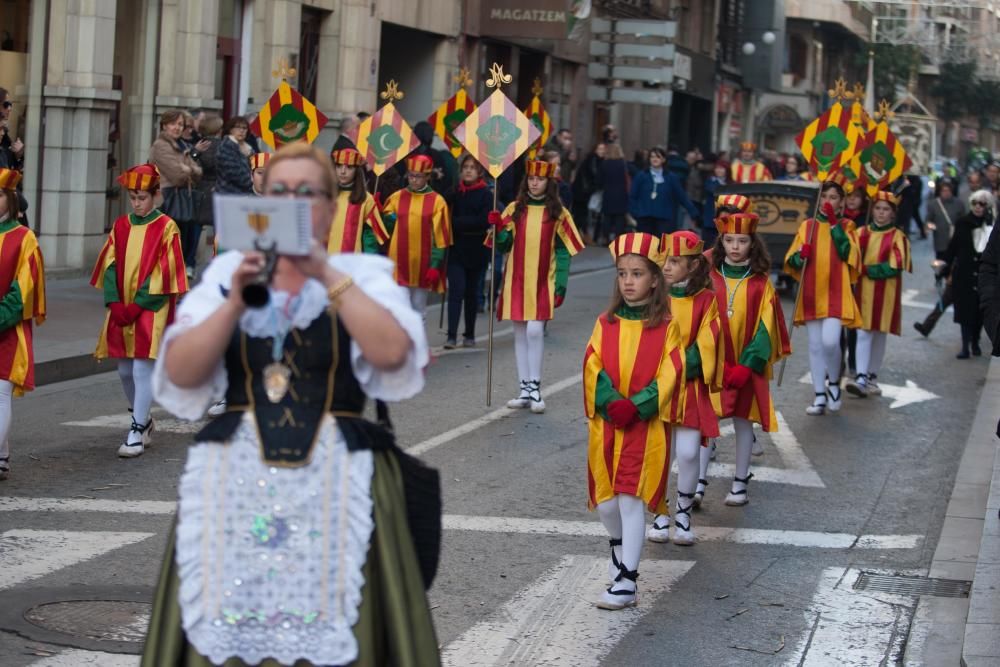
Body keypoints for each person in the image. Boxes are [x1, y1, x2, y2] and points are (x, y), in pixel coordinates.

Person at [142, 142, 440, 666]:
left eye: (308, 193)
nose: (293, 203)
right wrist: (236, 297)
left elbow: (392, 355)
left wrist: (325, 272)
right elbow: (181, 372)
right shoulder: (228, 275)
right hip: (234, 487)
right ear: (261, 198)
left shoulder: (359, 275)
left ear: (330, 205)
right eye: (280, 192)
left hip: (337, 482)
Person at [584, 232, 683, 609]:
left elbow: (671, 371)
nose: (628, 281)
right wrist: (611, 400)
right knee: (606, 503)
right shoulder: (605, 321)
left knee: (630, 498)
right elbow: (592, 363)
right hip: (609, 423)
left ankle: (627, 580)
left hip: (644, 426)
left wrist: (639, 405)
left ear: (655, 279)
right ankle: (618, 547)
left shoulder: (666, 325)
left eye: (638, 273)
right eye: (623, 273)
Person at [91, 164, 188, 458]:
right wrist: (115, 302)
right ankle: (143, 419)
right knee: (123, 369)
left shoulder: (167, 227)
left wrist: (138, 304)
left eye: (142, 198)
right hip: (123, 306)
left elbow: (165, 271)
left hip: (151, 306)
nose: (137, 204)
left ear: (156, 195)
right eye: (133, 198)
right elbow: (110, 265)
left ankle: (135, 429)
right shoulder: (121, 225)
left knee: (142, 367)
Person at [703, 212, 790, 506]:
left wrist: (747, 364)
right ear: (721, 242)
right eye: (729, 240)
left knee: (744, 422)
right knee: (707, 421)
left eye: (742, 240)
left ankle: (740, 481)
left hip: (745, 367)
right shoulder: (707, 278)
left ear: (753, 243)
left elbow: (767, 329)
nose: (736, 246)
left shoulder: (760, 283)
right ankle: (698, 482)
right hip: (712, 365)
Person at [489, 159, 585, 413]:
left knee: (534, 330)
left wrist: (561, 284)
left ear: (549, 182)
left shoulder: (558, 213)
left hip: (544, 279)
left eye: (540, 179)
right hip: (517, 278)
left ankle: (535, 386)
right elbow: (503, 245)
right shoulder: (514, 209)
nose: (534, 183)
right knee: (519, 331)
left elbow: (565, 252)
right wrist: (498, 227)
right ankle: (524, 389)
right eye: (531, 178)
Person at [647, 231, 722, 546]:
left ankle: (683, 513)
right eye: (665, 260)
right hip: (658, 390)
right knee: (659, 454)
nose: (666, 267)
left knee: (689, 454)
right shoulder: (654, 297)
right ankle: (661, 514)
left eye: (674, 262)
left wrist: (680, 366)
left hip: (689, 388)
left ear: (692, 266)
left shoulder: (707, 300)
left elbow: (710, 340)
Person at [784, 176, 862, 415]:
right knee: (816, 345)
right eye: (825, 196)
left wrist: (833, 223)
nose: (828, 201)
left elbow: (849, 252)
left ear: (841, 203)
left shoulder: (847, 226)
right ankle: (819, 394)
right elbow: (792, 260)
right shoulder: (807, 227)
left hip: (837, 292)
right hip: (811, 291)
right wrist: (801, 256)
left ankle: (834, 383)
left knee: (830, 341)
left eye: (834, 197)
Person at [0, 167, 45, 481]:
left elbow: (24, 288)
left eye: (0, 194)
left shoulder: (24, 238)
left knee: (0, 390)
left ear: (12, 199)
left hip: (8, 327)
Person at [845, 191, 911, 397]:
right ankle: (862, 376)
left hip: (887, 293)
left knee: (879, 334)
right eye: (878, 208)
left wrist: (867, 270)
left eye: (886, 210)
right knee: (863, 332)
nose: (881, 213)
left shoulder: (898, 237)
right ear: (872, 209)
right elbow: (848, 255)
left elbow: (895, 265)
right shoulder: (861, 232)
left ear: (892, 214)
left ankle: (872, 375)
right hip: (863, 292)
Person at [382, 154, 452, 313]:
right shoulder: (396, 197)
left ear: (427, 176)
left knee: (419, 309)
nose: (413, 180)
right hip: (398, 262)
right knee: (399, 309)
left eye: (418, 176)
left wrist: (435, 265)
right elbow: (385, 227)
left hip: (423, 264)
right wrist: (385, 217)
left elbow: (440, 238)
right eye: (411, 175)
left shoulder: (437, 201)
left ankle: (418, 338)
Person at [149, 110, 203, 278]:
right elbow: (177, 176)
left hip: (182, 200)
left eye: (180, 124)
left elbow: (198, 172)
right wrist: (187, 170)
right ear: (165, 125)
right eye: (173, 124)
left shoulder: (182, 146)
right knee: (167, 247)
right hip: (167, 199)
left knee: (181, 247)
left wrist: (189, 170)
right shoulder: (161, 145)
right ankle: (161, 288)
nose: (177, 128)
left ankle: (173, 289)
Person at [446, 155, 492, 349]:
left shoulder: (486, 194)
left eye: (473, 167)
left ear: (479, 171)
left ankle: (469, 333)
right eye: (465, 167)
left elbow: (483, 220)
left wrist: (457, 222)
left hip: (477, 249)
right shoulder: (455, 192)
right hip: (456, 248)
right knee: (456, 290)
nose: (468, 170)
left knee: (472, 292)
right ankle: (451, 335)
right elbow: (442, 207)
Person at [942, 189, 995, 358]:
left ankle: (975, 341)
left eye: (982, 204)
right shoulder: (962, 222)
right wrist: (944, 266)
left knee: (979, 313)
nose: (978, 207)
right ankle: (965, 346)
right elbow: (953, 246)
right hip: (964, 274)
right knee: (964, 312)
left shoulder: (991, 225)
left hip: (982, 275)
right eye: (975, 203)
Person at [914, 180, 965, 338]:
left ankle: (970, 340)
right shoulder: (934, 204)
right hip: (943, 247)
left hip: (965, 274)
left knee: (968, 310)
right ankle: (927, 327)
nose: (945, 193)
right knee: (944, 301)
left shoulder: (960, 212)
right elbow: (929, 220)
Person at [326, 147, 388, 255]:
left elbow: (371, 235)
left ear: (357, 171)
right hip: (324, 260)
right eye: (339, 166)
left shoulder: (366, 199)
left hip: (352, 261)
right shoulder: (325, 194)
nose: (343, 171)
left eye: (349, 167)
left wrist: (368, 262)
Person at [629, 146, 700, 237]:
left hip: (664, 219)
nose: (655, 159)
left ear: (663, 159)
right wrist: (635, 213)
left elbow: (682, 196)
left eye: (658, 157)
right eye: (652, 157)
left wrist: (693, 212)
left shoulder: (671, 177)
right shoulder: (641, 176)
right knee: (646, 248)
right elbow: (633, 196)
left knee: (662, 248)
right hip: (645, 218)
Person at [597, 143, 631, 243]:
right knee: (619, 218)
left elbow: (599, 180)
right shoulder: (623, 164)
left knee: (607, 217)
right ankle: (618, 239)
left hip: (608, 194)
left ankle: (605, 238)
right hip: (621, 194)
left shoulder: (604, 164)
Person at [572, 143, 604, 243]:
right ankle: (582, 236)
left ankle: (579, 236)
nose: (602, 151)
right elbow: (593, 175)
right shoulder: (593, 160)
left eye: (603, 149)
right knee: (581, 215)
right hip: (582, 192)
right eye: (600, 149)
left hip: (584, 192)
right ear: (595, 150)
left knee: (580, 215)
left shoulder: (597, 160)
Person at [215, 116, 254, 195]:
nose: (241, 130)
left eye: (244, 128)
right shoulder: (226, 147)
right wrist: (256, 184)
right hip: (228, 194)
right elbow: (235, 174)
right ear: (230, 130)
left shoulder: (250, 149)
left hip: (246, 195)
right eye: (238, 127)